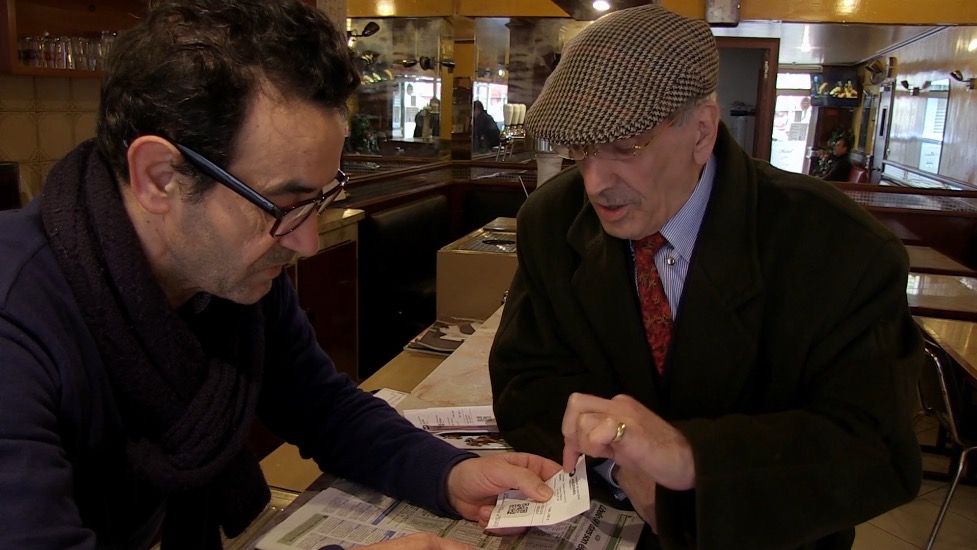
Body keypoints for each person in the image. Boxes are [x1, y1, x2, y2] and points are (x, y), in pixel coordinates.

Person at [0, 1, 562, 548]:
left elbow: (323, 408)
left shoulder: (226, 278)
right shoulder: (17, 318)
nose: (305, 241)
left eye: (320, 199)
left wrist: (448, 473)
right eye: (282, 204)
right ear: (159, 177)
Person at [488, 5, 922, 550]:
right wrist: (621, 466)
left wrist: (691, 459)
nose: (595, 184)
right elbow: (525, 381)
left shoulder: (838, 245)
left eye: (625, 147)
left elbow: (875, 448)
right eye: (581, 150)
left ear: (701, 132)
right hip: (610, 524)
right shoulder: (551, 221)